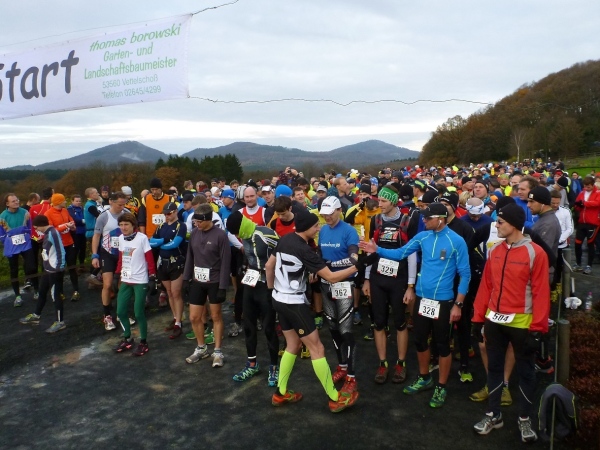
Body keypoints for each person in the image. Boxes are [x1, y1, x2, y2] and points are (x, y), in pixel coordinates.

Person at [361, 203, 470, 408]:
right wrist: (377, 250)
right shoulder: (422, 237)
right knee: (419, 340)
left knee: (442, 344)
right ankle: (424, 377)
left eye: (428, 218)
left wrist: (458, 304)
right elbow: (400, 253)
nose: (423, 221)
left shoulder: (456, 241)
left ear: (440, 219)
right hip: (422, 298)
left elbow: (465, 274)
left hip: (443, 300)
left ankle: (441, 386)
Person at [265, 208, 361, 412]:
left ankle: (281, 393)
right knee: (317, 348)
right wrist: (356, 267)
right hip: (294, 303)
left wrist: (273, 290)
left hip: (278, 299)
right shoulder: (305, 250)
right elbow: (332, 277)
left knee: (292, 345)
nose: (318, 229)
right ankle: (334, 397)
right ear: (307, 228)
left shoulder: (285, 239)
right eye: (316, 226)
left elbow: (269, 266)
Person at [471, 204, 550, 443]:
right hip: (494, 321)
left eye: (500, 222)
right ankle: (493, 415)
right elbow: (486, 286)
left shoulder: (536, 253)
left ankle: (524, 419)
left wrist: (538, 329)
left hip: (522, 324)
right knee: (494, 369)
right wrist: (477, 318)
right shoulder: (495, 250)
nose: (496, 225)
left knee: (526, 373)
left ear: (514, 224)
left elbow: (541, 293)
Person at [362, 186, 417, 385]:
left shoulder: (407, 221)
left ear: (393, 201)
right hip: (378, 278)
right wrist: (366, 279)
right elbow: (370, 250)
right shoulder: (376, 220)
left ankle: (401, 362)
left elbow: (412, 252)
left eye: (383, 201)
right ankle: (383, 363)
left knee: (400, 322)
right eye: (379, 201)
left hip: (399, 279)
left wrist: (410, 285)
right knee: (378, 322)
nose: (380, 204)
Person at [226, 211, 280, 386]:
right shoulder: (244, 235)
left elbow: (283, 250)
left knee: (269, 327)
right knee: (248, 325)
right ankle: (252, 364)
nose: (236, 236)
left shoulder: (265, 233)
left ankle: (274, 366)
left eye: (236, 232)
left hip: (266, 285)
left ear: (241, 227)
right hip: (250, 282)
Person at [317, 196, 361, 394]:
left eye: (330, 213)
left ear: (339, 211)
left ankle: (352, 376)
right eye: (324, 214)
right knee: (333, 328)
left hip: (344, 283)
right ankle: (342, 366)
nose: (327, 217)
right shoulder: (323, 230)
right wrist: (317, 267)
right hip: (326, 284)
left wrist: (330, 265)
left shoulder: (349, 231)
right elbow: (319, 254)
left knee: (346, 331)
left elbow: (354, 259)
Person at [183, 204, 231, 368]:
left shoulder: (220, 235)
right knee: (194, 317)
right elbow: (190, 257)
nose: (196, 224)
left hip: (214, 281)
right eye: (194, 222)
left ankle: (217, 351)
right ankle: (201, 348)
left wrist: (223, 286)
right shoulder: (195, 234)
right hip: (198, 280)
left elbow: (225, 262)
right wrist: (186, 279)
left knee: (216, 316)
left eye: (199, 222)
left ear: (208, 220)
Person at [113, 213, 156, 356]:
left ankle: (143, 342)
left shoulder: (142, 238)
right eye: (121, 225)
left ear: (133, 225)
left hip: (140, 280)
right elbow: (121, 258)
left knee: (138, 312)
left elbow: (149, 258)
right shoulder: (121, 238)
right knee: (120, 311)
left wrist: (152, 276)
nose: (123, 227)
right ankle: (128, 338)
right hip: (126, 279)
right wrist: (117, 274)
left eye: (126, 225)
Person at [19, 214, 66, 333]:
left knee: (56, 296)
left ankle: (60, 322)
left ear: (41, 225)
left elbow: (61, 250)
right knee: (42, 292)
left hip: (55, 271)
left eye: (36, 228)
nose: (36, 230)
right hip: (48, 270)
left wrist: (59, 267)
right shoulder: (47, 234)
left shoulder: (53, 233)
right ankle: (36, 315)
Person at [150, 202, 187, 339]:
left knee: (176, 293)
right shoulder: (161, 226)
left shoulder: (181, 225)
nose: (166, 216)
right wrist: (163, 241)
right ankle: (175, 317)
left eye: (169, 213)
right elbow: (151, 242)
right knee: (170, 292)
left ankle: (179, 323)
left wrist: (160, 243)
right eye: (165, 213)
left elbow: (175, 244)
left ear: (175, 211)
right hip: (163, 262)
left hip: (176, 262)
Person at [91, 191, 128, 330]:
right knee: (107, 284)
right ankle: (107, 315)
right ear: (111, 202)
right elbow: (96, 236)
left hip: (123, 254)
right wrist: (94, 255)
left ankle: (121, 312)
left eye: (124, 204)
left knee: (122, 284)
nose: (122, 207)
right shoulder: (103, 216)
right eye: (119, 205)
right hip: (107, 253)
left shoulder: (127, 214)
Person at [1, 193, 38, 306]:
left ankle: (36, 290)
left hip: (25, 243)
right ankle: (17, 296)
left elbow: (30, 227)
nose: (16, 202)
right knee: (14, 270)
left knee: (32, 267)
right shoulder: (2, 216)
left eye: (17, 200)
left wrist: (29, 236)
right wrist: (6, 241)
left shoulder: (25, 212)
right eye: (13, 201)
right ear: (7, 204)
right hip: (12, 245)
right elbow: (1, 233)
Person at [44, 193, 79, 302]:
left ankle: (76, 291)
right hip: (58, 246)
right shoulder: (48, 214)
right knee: (59, 270)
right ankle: (60, 292)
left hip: (69, 243)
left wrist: (72, 226)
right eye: (63, 200)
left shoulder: (65, 210)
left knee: (72, 267)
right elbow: (50, 230)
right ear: (58, 202)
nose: (65, 202)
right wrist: (65, 226)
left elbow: (71, 221)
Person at [573, 176, 600, 274]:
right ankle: (578, 263)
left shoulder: (598, 193)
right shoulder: (582, 193)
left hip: (593, 223)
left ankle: (589, 266)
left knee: (590, 244)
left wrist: (584, 203)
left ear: (593, 185)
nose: (586, 188)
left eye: (588, 186)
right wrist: (578, 205)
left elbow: (597, 203)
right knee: (577, 243)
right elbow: (577, 205)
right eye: (585, 186)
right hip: (582, 222)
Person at [67, 195, 87, 272]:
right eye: (77, 201)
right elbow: (74, 220)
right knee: (75, 250)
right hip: (75, 233)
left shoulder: (82, 208)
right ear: (72, 201)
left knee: (83, 249)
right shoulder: (70, 209)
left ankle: (82, 266)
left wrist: (83, 221)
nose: (78, 202)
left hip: (83, 232)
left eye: (79, 201)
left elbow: (86, 217)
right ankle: (74, 267)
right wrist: (83, 221)